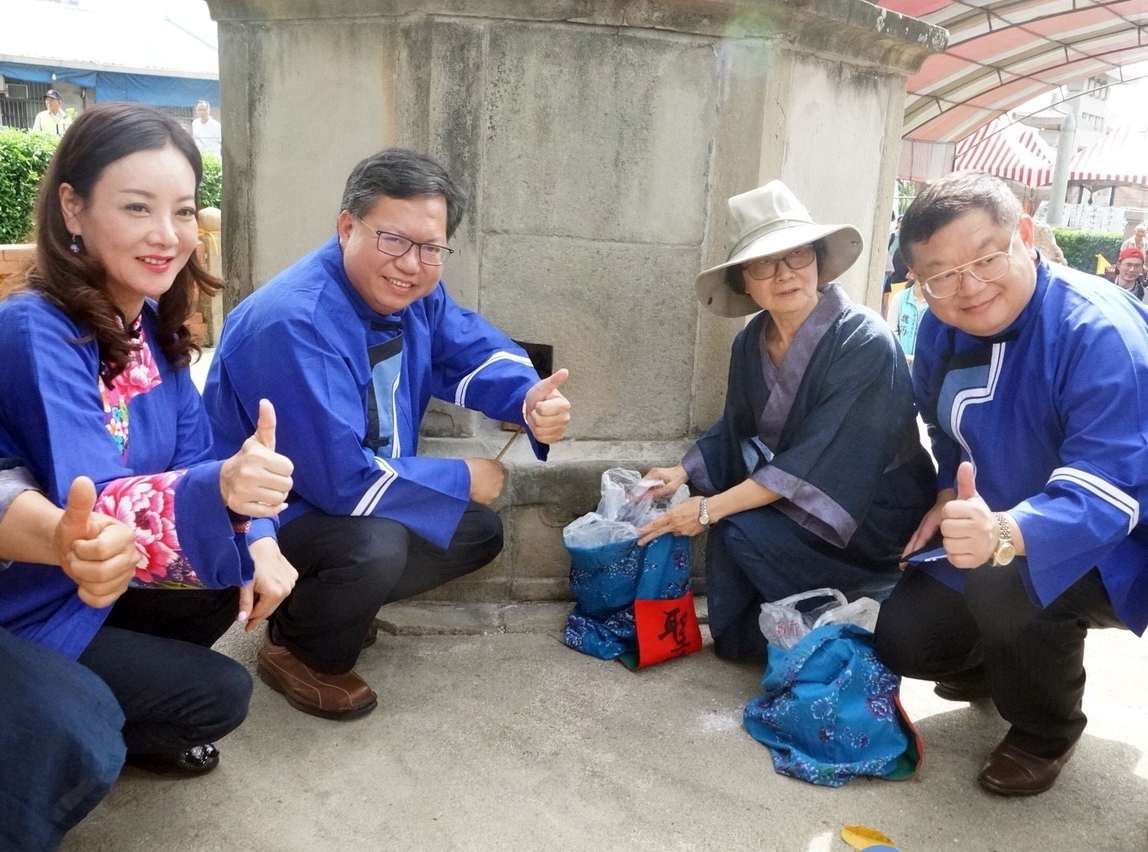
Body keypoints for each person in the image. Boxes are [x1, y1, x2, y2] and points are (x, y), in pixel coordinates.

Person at [0, 101, 298, 776]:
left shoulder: (149, 329)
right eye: (138, 208)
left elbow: (199, 457)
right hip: (24, 603)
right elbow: (90, 503)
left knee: (243, 567)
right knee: (220, 694)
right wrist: (224, 492)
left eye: (185, 210)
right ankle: (50, 712)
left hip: (100, 588)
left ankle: (106, 701)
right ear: (72, 208)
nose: (167, 234)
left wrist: (258, 533)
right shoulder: (35, 329)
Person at [203, 147, 571, 719]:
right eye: (392, 239)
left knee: (474, 532)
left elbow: (470, 346)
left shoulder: (413, 292)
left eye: (430, 248)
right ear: (347, 225)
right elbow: (340, 482)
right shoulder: (294, 321)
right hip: (265, 517)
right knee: (377, 545)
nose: (410, 263)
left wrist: (528, 399)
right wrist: (462, 474)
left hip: (344, 492)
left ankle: (324, 602)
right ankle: (297, 648)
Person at [872, 170, 1148, 797]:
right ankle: (1002, 660)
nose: (968, 287)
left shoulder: (1096, 333)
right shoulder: (944, 324)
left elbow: (1111, 488)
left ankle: (1044, 730)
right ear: (917, 280)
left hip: (1117, 539)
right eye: (940, 274)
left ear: (1024, 234)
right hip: (987, 519)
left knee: (1005, 580)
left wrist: (1005, 530)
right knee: (906, 639)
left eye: (987, 257)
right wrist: (946, 491)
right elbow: (943, 428)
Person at [637, 180, 935, 663]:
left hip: (872, 510)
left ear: (817, 259)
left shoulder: (865, 341)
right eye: (763, 264)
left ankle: (866, 599)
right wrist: (683, 473)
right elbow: (735, 427)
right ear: (744, 282)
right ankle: (776, 630)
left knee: (734, 526)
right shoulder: (750, 342)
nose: (785, 274)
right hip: (804, 490)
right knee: (734, 638)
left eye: (797, 255)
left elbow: (821, 455)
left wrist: (709, 509)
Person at [0, 352, 138, 852]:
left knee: (90, 717)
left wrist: (64, 539)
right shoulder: (33, 333)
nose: (165, 252)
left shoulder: (160, 341)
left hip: (55, 591)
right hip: (15, 601)